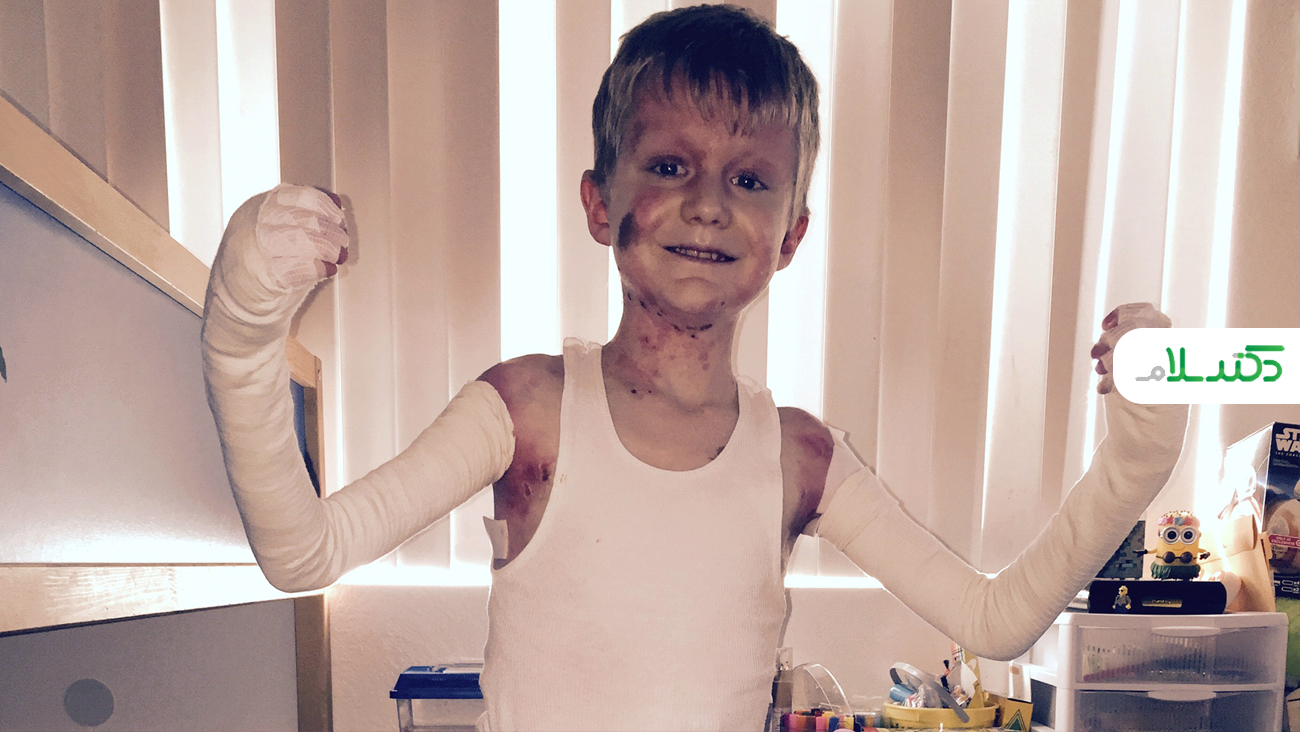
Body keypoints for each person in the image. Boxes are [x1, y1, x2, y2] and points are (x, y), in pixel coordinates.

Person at [200, 5, 1187, 730]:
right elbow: (303, 554)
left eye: (749, 179)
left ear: (790, 235)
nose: (708, 203)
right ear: (600, 202)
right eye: (670, 166)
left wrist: (1139, 452)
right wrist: (244, 334)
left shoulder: (799, 459)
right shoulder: (529, 411)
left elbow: (995, 618)